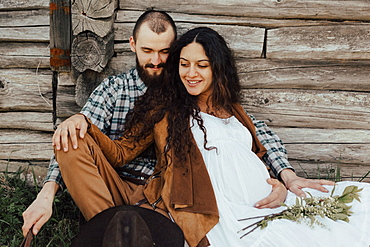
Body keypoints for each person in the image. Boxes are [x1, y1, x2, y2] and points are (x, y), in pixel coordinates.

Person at [22, 10, 332, 237]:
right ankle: (116, 233)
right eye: (148, 51)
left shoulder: (224, 108)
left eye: (165, 53)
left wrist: (284, 178)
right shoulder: (132, 94)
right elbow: (116, 151)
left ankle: (127, 234)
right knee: (71, 135)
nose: (157, 60)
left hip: (171, 197)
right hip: (125, 190)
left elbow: (257, 140)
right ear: (132, 45)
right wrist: (81, 122)